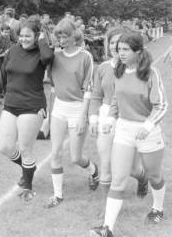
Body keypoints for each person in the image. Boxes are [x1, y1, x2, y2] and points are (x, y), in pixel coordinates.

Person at [90, 32, 168, 237]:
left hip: (147, 132)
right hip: (124, 130)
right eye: (119, 49)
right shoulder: (120, 71)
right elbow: (116, 98)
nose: (120, 53)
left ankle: (157, 208)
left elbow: (161, 105)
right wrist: (109, 120)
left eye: (125, 49)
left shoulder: (151, 73)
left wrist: (148, 125)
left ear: (138, 51)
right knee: (118, 179)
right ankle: (107, 229)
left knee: (154, 175)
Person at [0, 18, 54, 201]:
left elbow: (49, 58)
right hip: (11, 104)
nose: (24, 39)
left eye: (28, 36)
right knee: (5, 147)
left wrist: (41, 40)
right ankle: (28, 169)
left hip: (32, 106)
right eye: (21, 35)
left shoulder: (41, 52)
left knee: (25, 148)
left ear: (36, 36)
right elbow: (3, 74)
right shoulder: (13, 50)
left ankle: (28, 185)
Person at [45, 18, 99, 208]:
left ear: (74, 35)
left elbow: (89, 89)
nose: (62, 39)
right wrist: (47, 117)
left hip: (77, 108)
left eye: (65, 35)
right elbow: (52, 88)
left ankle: (93, 170)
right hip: (59, 108)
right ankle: (58, 195)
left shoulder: (86, 56)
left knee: (76, 157)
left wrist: (84, 116)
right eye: (59, 35)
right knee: (55, 152)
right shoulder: (55, 56)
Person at [88, 28, 148, 196]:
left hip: (129, 118)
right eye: (112, 42)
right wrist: (93, 119)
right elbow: (96, 96)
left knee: (132, 168)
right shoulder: (102, 68)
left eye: (120, 43)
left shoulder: (138, 69)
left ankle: (142, 178)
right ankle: (109, 207)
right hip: (107, 117)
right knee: (106, 163)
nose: (115, 47)